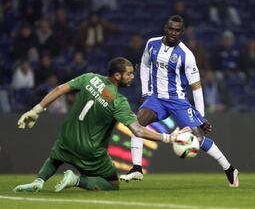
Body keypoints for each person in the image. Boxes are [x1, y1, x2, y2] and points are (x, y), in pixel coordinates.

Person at [13, 57, 188, 192]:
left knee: (56, 158)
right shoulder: (118, 101)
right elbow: (138, 131)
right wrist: (170, 137)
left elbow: (59, 90)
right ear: (117, 76)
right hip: (90, 150)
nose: (132, 77)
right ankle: (76, 180)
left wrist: (36, 109)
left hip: (67, 138)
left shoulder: (89, 78)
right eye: (129, 74)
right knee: (112, 183)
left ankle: (39, 181)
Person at [119, 15, 239, 187]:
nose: (173, 33)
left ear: (182, 32)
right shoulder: (152, 44)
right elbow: (144, 65)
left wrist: (202, 117)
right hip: (157, 99)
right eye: (170, 29)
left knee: (198, 138)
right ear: (165, 28)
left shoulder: (187, 55)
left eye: (177, 30)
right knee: (138, 123)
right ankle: (137, 168)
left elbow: (196, 87)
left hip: (178, 101)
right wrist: (146, 91)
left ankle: (229, 168)